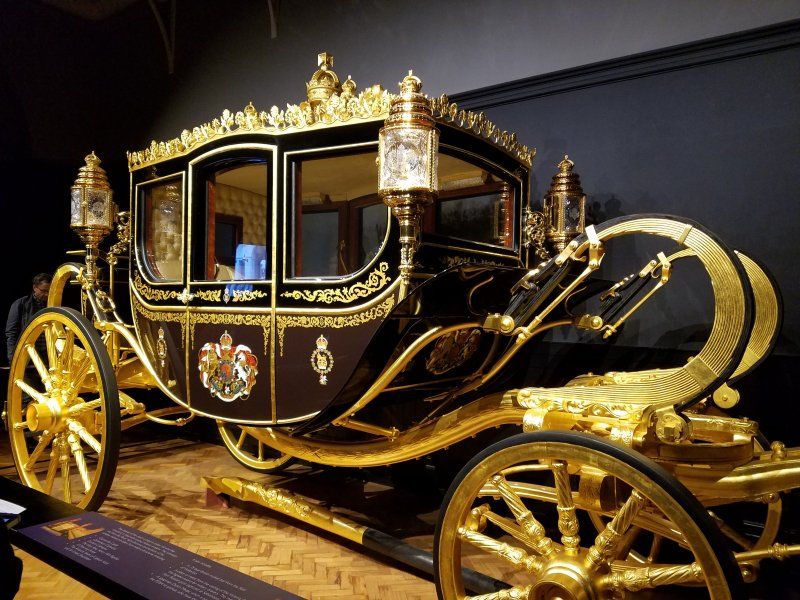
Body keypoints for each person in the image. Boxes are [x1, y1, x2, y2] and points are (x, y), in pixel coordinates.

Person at [5, 273, 51, 363]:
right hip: (27, 356)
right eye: (43, 291)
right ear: (34, 288)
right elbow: (11, 333)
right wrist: (12, 358)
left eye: (49, 291)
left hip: (48, 357)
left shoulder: (53, 305)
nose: (46, 294)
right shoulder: (20, 304)